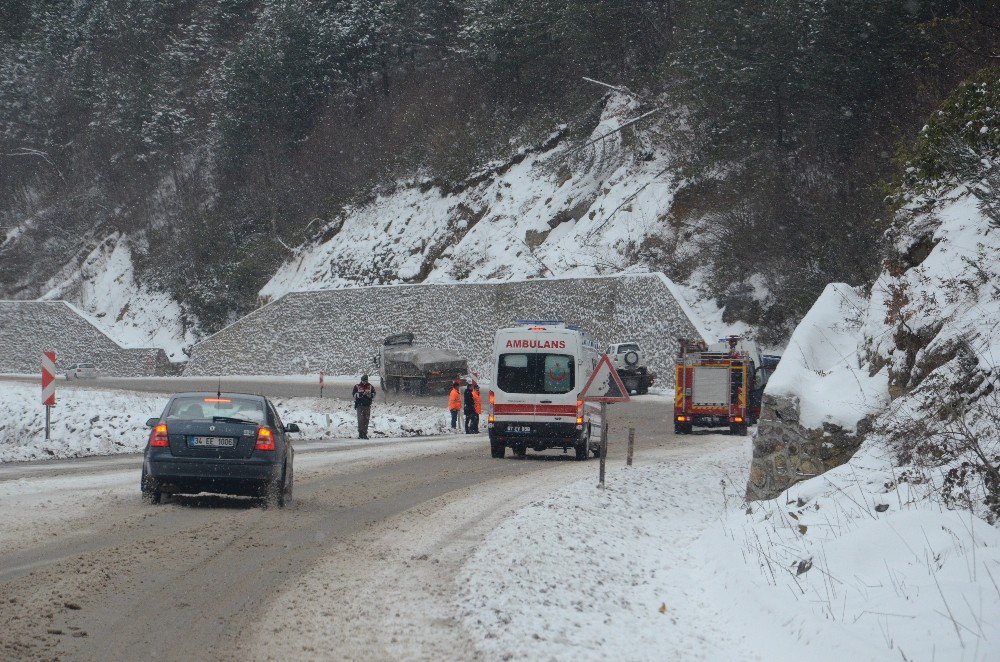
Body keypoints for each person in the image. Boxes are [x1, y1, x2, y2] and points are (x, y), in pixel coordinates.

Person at [352, 374, 376, 439]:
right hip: (360, 406)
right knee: (360, 420)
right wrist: (361, 394)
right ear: (361, 380)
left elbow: (374, 394)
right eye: (363, 381)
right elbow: (354, 395)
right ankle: (360, 433)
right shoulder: (357, 386)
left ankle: (365, 433)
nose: (364, 382)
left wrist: (370, 395)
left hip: (367, 406)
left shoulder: (370, 386)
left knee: (366, 420)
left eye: (366, 381)